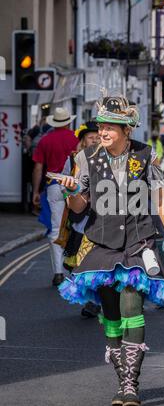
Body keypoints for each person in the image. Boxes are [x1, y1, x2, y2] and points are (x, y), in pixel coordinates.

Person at [57, 95, 164, 406]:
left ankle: (131, 385)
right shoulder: (86, 158)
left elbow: (161, 198)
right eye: (101, 125)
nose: (103, 130)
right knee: (110, 314)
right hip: (101, 245)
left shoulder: (145, 154)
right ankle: (121, 378)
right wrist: (72, 191)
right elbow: (79, 208)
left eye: (110, 125)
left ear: (127, 128)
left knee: (131, 301)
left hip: (140, 243)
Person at [32, 107, 78, 286]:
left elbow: (37, 168)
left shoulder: (45, 140)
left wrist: (36, 191)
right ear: (68, 122)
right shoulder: (75, 138)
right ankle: (76, 270)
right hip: (74, 185)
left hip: (54, 187)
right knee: (79, 227)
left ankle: (58, 272)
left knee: (56, 229)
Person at [61, 121, 101, 319]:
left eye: (97, 136)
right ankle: (91, 300)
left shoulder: (106, 157)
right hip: (80, 219)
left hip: (102, 218)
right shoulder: (74, 159)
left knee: (97, 262)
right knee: (81, 263)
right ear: (84, 139)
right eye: (91, 136)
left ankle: (95, 302)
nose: (94, 139)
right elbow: (65, 183)